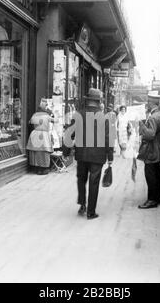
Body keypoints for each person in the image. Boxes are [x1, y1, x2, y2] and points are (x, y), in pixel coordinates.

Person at [67, 88, 114, 220]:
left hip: (81, 154)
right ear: (98, 102)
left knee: (81, 179)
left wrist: (66, 152)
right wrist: (110, 157)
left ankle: (82, 205)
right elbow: (107, 138)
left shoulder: (78, 115)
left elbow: (69, 133)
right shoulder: (103, 117)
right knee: (94, 182)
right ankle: (91, 212)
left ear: (88, 101)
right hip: (97, 156)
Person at [137, 104, 160, 209]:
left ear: (152, 104)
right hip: (157, 149)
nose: (146, 105)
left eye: (148, 103)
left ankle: (151, 200)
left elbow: (150, 135)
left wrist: (142, 125)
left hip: (151, 151)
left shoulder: (153, 117)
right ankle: (156, 198)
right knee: (156, 175)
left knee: (150, 176)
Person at [27, 98, 55, 175]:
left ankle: (38, 168)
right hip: (44, 134)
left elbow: (30, 122)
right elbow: (55, 120)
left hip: (35, 134)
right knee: (44, 152)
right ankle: (44, 168)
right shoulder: (47, 115)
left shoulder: (34, 115)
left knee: (37, 152)